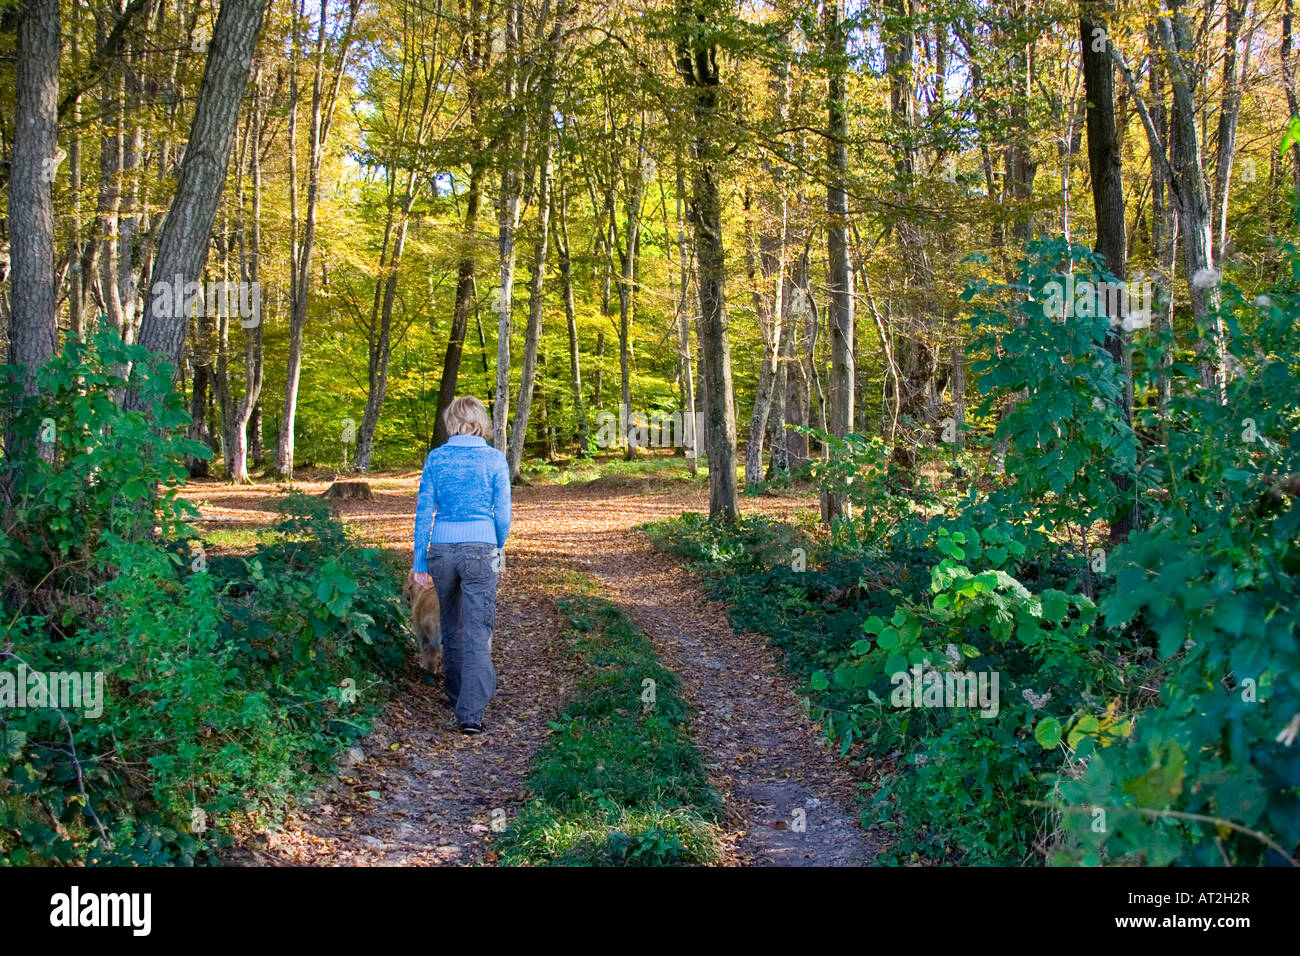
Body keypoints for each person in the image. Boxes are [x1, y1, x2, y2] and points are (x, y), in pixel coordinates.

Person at [411, 396, 510, 735]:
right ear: (480, 421)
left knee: (451, 626)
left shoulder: (436, 459)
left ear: (451, 421)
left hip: (441, 549)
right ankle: (470, 713)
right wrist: (497, 546)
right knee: (478, 630)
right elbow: (504, 515)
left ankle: (455, 695)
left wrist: (419, 561)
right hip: (481, 548)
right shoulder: (495, 460)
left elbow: (424, 512)